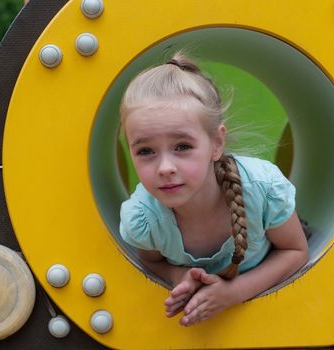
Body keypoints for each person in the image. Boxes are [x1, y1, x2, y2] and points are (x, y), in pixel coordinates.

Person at [119, 52, 308, 327]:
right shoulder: (144, 218)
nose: (164, 167)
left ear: (216, 143)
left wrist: (233, 293)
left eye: (182, 146)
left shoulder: (261, 189)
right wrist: (177, 276)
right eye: (146, 151)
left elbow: (295, 252)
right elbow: (151, 261)